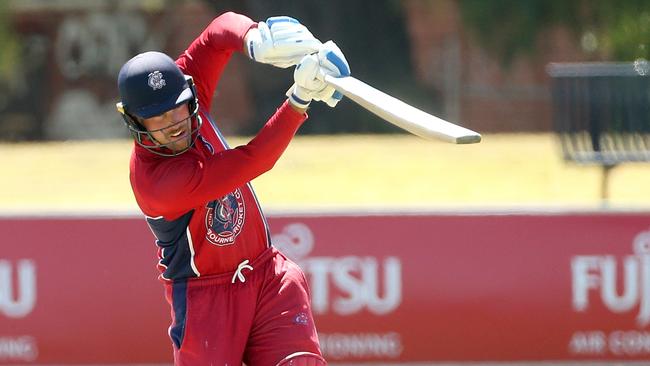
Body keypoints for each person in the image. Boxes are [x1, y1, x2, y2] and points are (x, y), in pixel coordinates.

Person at [115, 11, 350, 366]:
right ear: (134, 121)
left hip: (268, 276)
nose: (173, 122)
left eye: (178, 108)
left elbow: (217, 33)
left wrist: (254, 38)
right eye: (157, 117)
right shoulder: (158, 181)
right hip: (204, 300)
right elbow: (255, 159)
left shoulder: (184, 92)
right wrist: (299, 98)